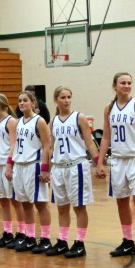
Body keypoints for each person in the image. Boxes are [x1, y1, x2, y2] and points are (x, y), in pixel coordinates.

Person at [96, 72, 135, 261]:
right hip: (118, 160)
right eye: (123, 83)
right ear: (114, 86)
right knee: (121, 201)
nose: (127, 85)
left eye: (129, 82)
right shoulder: (109, 108)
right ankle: (128, 241)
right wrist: (100, 162)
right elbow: (106, 136)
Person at [46, 86, 100, 258]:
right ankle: (62, 241)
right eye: (63, 97)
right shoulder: (53, 122)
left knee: (79, 207)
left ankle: (79, 243)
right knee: (61, 207)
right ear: (56, 100)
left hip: (76, 166)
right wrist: (46, 169)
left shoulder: (79, 117)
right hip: (58, 167)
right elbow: (50, 147)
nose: (67, 100)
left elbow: (90, 142)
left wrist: (99, 164)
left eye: (69, 97)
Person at [12, 90, 53, 253]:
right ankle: (30, 237)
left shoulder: (39, 121)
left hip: (33, 165)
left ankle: (46, 239)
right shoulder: (18, 122)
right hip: (19, 165)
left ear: (33, 103)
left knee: (40, 204)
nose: (22, 103)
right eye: (20, 101)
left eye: (25, 100)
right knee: (25, 204)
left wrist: (45, 169)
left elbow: (47, 146)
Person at [0, 93, 25, 248]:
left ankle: (22, 233)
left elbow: (14, 144)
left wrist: (9, 164)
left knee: (15, 201)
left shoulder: (11, 121)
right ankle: (8, 232)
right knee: (3, 200)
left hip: (6, 165)